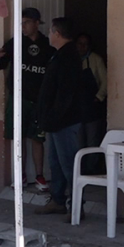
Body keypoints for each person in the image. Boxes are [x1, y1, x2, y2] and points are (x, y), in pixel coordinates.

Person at [0, 7, 52, 191]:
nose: (23, 27)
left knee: (37, 139)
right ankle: (21, 175)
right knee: (19, 138)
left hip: (39, 101)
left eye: (26, 23)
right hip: (18, 100)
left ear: (36, 23)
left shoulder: (48, 45)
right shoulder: (15, 43)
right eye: (21, 23)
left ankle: (40, 176)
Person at [35, 17, 83, 215]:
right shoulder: (60, 55)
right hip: (55, 121)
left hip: (65, 120)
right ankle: (58, 199)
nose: (48, 35)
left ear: (57, 33)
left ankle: (77, 204)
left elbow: (65, 93)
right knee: (55, 162)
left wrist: (55, 116)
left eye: (51, 32)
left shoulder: (68, 57)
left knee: (68, 162)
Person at [76, 32, 108, 174]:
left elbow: (105, 82)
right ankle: (78, 171)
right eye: (80, 43)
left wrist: (98, 97)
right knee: (78, 142)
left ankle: (92, 170)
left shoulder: (96, 60)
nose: (82, 47)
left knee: (92, 142)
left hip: (92, 107)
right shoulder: (71, 59)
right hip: (75, 108)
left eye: (85, 44)